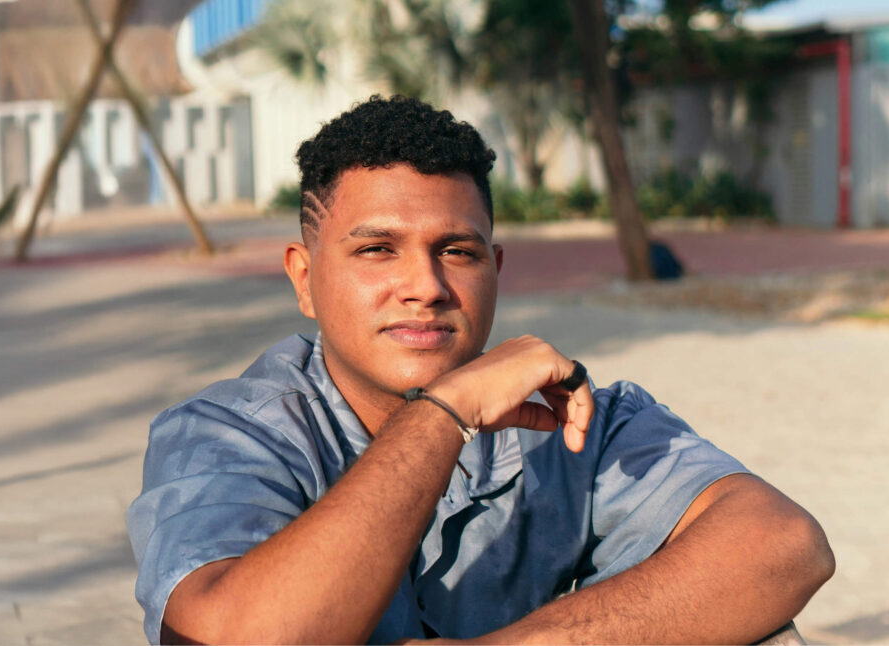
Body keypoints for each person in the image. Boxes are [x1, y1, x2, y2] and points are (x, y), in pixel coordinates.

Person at [126, 95, 834, 644]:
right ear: (304, 278)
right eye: (378, 251)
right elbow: (225, 637)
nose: (426, 285)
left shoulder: (573, 419)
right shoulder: (229, 432)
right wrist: (444, 413)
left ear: (494, 271)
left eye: (457, 252)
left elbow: (784, 543)